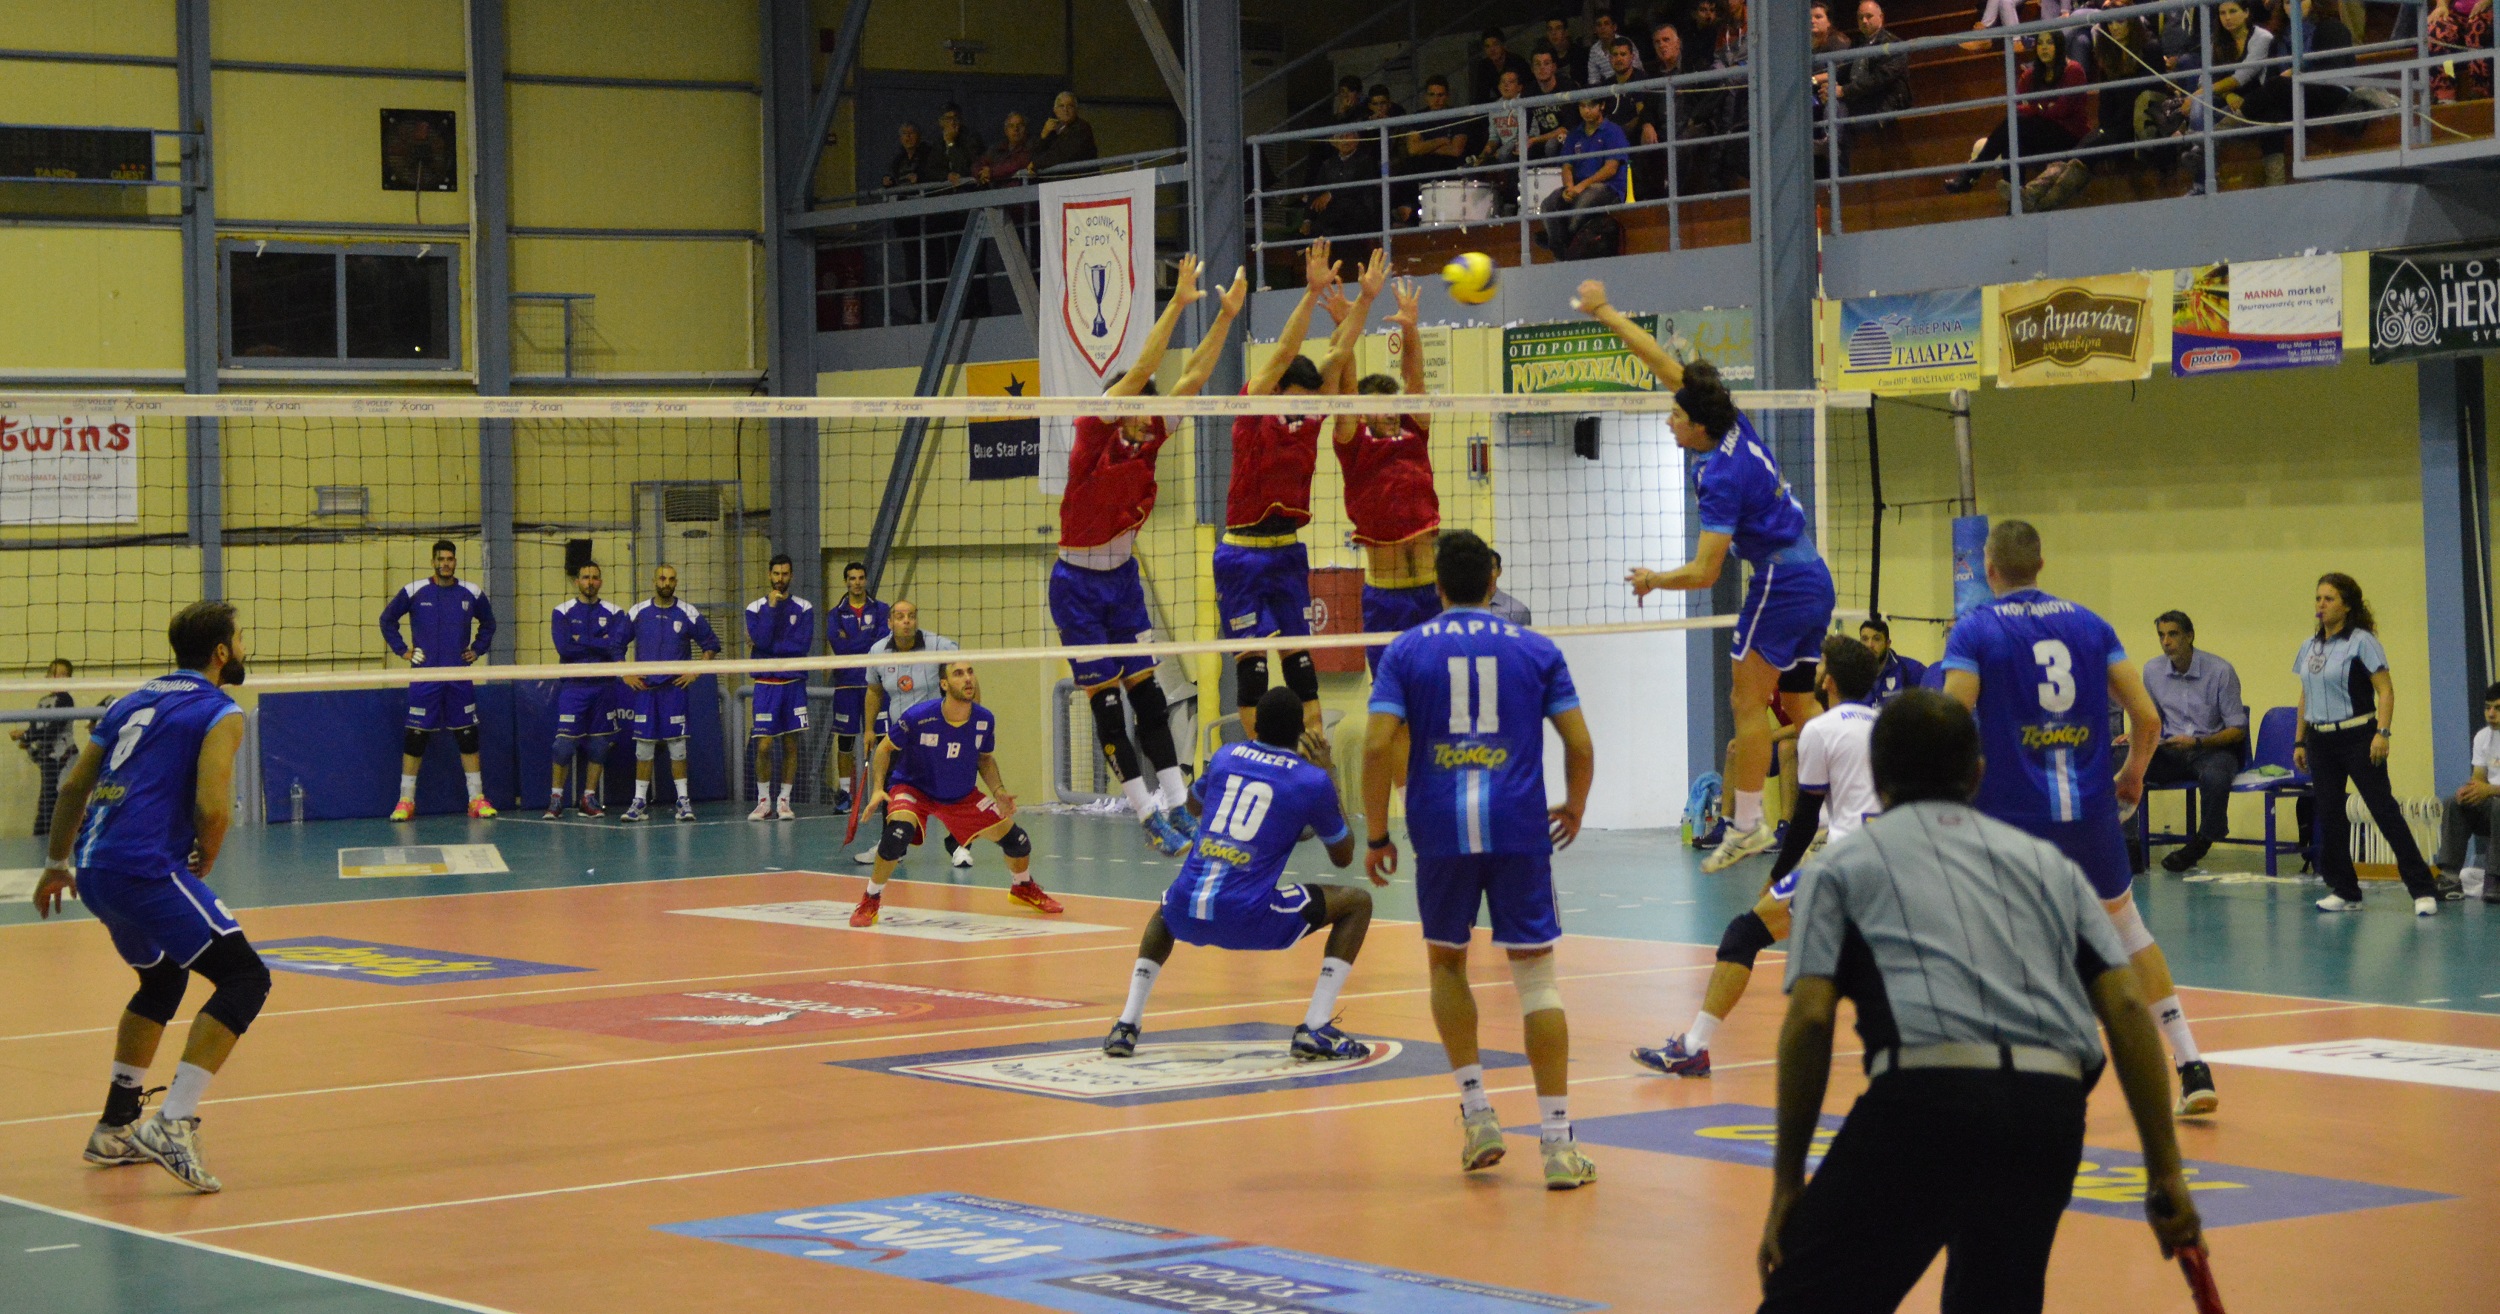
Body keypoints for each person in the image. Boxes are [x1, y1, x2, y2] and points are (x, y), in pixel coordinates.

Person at [1754, 690, 2204, 1313]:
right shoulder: (2048, 865)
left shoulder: (1841, 866)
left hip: (1926, 1101)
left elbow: (1809, 1020)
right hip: (2048, 1115)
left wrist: (1786, 1183)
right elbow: (2127, 1008)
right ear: (1978, 775)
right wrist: (2165, 1171)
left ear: (1877, 778)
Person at [1941, 520, 2218, 1116]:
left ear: (1989, 569)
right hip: (2088, 812)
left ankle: (2013, 1077)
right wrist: (2133, 773)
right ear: (2041, 565)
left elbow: (1948, 719)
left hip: (2011, 816)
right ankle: (2192, 1065)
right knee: (2130, 931)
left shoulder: (1976, 628)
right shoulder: (2091, 625)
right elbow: (2148, 719)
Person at [1364, 530, 1597, 1189]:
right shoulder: (1537, 649)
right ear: (1492, 583)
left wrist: (1378, 834)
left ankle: (1477, 1114)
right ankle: (1558, 1145)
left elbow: (1377, 746)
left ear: (1436, 586)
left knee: (1446, 962)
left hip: (1440, 827)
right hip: (1519, 824)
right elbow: (1580, 743)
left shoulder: (1405, 650)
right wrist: (1575, 806)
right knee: (1537, 978)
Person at [1592, 281, 1835, 873]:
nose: (1669, 420)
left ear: (1699, 427)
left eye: (1676, 416)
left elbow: (1706, 573)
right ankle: (1841, 810)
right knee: (1799, 702)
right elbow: (1658, 359)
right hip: (1814, 578)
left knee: (1746, 701)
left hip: (1780, 584)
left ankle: (1747, 824)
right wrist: (1605, 311)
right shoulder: (1730, 421)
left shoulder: (1722, 478)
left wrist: (1654, 580)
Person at [34, 600, 272, 1194]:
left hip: (96, 871)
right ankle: (173, 1122)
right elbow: (213, 806)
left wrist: (56, 864)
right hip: (146, 869)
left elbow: (74, 785)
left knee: (163, 979)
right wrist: (206, 857)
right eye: (241, 639)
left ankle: (115, 1126)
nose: (245, 648)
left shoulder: (131, 700)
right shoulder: (220, 709)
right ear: (221, 652)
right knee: (246, 978)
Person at [1054, 253, 1241, 855]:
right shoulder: (1093, 433)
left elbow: (1193, 379)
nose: (1140, 425)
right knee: (1109, 705)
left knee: (1151, 699)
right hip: (1077, 586)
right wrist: (1178, 304)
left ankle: (1178, 804)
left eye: (1144, 418)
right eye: (1132, 414)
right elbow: (1142, 371)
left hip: (1122, 581)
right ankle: (1145, 814)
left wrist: (1226, 318)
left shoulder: (1153, 432)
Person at [1638, 635, 1881, 1078]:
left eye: (1820, 665)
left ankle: (1693, 1048)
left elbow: (1804, 818)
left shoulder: (1820, 729)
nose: (1815, 671)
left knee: (1742, 935)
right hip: (1891, 861)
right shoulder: (1888, 725)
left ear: (1829, 681)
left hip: (1845, 867)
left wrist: (1777, 874)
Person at [1107, 687, 1375, 1060]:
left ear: (1255, 727)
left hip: (1186, 914)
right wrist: (1328, 774)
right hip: (1249, 919)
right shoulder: (1310, 781)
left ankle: (1126, 1024)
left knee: (1168, 904)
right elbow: (1343, 856)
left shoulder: (1225, 757)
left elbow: (1195, 806)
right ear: (1300, 731)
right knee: (1358, 903)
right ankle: (1315, 1027)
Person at [1220, 241, 1362, 761]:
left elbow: (1340, 358)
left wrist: (1357, 309)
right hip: (1241, 555)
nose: (1307, 402)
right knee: (1253, 672)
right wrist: (1310, 292)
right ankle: (1265, 760)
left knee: (1301, 666)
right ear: (1278, 390)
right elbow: (1283, 351)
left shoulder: (1313, 416)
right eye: (1298, 394)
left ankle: (1312, 758)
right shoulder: (1253, 408)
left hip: (1287, 552)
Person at [847, 659, 1056, 926]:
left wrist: (999, 790)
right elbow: (885, 748)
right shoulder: (919, 716)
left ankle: (1022, 886)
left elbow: (984, 759)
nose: (967, 678)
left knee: (1019, 842)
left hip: (961, 796)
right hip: (914, 790)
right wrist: (877, 788)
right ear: (944, 684)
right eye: (958, 674)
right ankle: (871, 898)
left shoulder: (984, 719)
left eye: (970, 672)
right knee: (897, 835)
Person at [2298, 572, 2443, 914]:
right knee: (2330, 814)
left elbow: (2386, 690)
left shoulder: (2362, 642)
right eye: (2318, 598)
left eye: (2329, 599)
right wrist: (2299, 741)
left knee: (2383, 810)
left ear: (2347, 606)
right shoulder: (2309, 646)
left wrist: (2383, 732)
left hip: (2359, 737)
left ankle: (2422, 890)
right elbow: (2305, 695)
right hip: (2320, 740)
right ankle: (2345, 890)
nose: (2321, 604)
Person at [1325, 276, 1441, 680]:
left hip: (1430, 590)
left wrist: (1410, 328)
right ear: (1361, 412)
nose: (1389, 412)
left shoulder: (1414, 431)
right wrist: (1347, 324)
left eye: (1392, 405)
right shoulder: (1353, 442)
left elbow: (1415, 381)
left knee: (1436, 693)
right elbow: (1344, 387)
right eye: (1379, 406)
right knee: (1389, 697)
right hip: (1384, 597)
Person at [379, 539, 497, 821]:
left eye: (450, 559)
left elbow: (489, 624)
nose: (446, 563)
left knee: (467, 736)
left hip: (459, 676)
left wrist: (477, 649)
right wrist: (403, 651)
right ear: (433, 562)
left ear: (455, 561)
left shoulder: (471, 592)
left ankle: (476, 799)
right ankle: (405, 800)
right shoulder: (415, 590)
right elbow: (387, 620)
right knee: (415, 737)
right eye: (441, 559)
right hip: (426, 676)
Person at [852, 600, 964, 865]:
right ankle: (893, 846)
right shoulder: (878, 651)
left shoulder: (938, 645)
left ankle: (959, 845)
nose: (906, 621)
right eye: (900, 617)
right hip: (900, 734)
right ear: (890, 622)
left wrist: (967, 719)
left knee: (953, 788)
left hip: (937, 731)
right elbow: (874, 691)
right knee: (892, 788)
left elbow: (964, 676)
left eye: (911, 616)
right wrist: (868, 729)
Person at [2141, 610, 2247, 872]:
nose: (2166, 642)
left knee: (2215, 777)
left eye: (2173, 634)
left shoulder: (2220, 671)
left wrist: (2198, 743)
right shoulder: (2152, 671)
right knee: (2126, 765)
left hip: (2211, 748)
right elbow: (2152, 720)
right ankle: (2129, 844)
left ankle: (2202, 842)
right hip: (2171, 750)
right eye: (2161, 635)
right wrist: (2136, 735)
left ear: (2189, 636)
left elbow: (2237, 730)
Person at [621, 564, 721, 822]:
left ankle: (683, 801)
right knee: (644, 748)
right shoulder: (638, 611)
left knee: (678, 747)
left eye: (671, 579)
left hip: (673, 691)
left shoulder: (687, 612)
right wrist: (625, 674)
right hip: (646, 691)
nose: (666, 583)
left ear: (676, 582)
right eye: (662, 578)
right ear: (654, 581)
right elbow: (615, 645)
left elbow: (711, 644)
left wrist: (695, 672)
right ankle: (639, 802)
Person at [1946, 28, 2088, 193]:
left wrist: (2034, 108)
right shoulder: (2030, 75)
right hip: (2038, 134)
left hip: (2069, 135)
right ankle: (2015, 198)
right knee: (2011, 141)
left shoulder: (2073, 70)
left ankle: (1972, 173)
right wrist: (2044, 108)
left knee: (2016, 125)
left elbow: (2062, 110)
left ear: (2060, 45)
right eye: (2040, 43)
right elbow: (2017, 107)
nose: (2044, 47)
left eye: (2050, 43)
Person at [547, 562, 628, 819]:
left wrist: (581, 641)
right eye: (585, 577)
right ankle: (556, 799)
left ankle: (588, 798)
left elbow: (616, 647)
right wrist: (600, 642)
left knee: (600, 746)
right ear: (577, 582)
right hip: (574, 686)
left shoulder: (615, 612)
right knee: (563, 746)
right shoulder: (562, 611)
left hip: (604, 686)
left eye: (594, 577)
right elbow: (564, 648)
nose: (590, 582)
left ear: (600, 582)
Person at [744, 554, 816, 822]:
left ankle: (784, 800)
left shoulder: (804, 607)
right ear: (769, 575)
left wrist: (768, 647)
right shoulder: (755, 608)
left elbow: (802, 645)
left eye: (785, 574)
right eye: (776, 574)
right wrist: (772, 608)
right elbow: (762, 639)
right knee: (763, 746)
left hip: (793, 683)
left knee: (790, 744)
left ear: (791, 576)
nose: (780, 579)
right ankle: (764, 802)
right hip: (766, 684)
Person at [826, 562, 891, 814]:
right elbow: (839, 647)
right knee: (845, 742)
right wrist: (866, 641)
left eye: (861, 578)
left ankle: (884, 790)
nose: (857, 582)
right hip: (847, 685)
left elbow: (882, 643)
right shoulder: (835, 614)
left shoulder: (881, 609)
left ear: (866, 580)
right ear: (846, 581)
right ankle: (845, 795)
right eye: (852, 578)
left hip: (875, 685)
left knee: (884, 740)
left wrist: (852, 640)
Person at [2433, 682, 2500, 903]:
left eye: (2498, 708)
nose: (2491, 714)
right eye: (2488, 708)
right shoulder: (2482, 737)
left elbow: (2488, 789)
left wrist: (2489, 790)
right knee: (2454, 803)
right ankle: (2450, 877)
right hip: (2493, 805)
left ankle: (2495, 878)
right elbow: (2478, 778)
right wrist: (2469, 790)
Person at [1541, 97, 1628, 255]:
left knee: (1582, 204)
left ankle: (1558, 245)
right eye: (1582, 106)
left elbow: (1610, 169)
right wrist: (1569, 187)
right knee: (1549, 204)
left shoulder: (1613, 131)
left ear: (1602, 105)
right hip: (1577, 188)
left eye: (1591, 106)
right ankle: (1561, 251)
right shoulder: (1574, 134)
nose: (1586, 111)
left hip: (1608, 188)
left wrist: (1581, 186)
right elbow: (1567, 166)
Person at [12, 658, 77, 835]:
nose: (57, 678)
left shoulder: (65, 699)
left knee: (57, 801)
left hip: (63, 757)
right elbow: (37, 728)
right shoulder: (43, 701)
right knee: (47, 803)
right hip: (49, 758)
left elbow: (54, 727)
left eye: (63, 675)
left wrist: (26, 736)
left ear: (70, 680)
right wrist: (27, 741)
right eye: (54, 674)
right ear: (47, 677)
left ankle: (64, 837)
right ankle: (43, 838)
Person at [1838, 0, 1911, 125]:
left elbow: (1879, 79)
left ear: (1881, 17)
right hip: (1858, 97)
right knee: (1830, 107)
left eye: (1869, 16)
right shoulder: (1857, 42)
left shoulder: (1894, 44)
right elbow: (1844, 70)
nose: (1864, 21)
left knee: (1844, 117)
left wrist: (1845, 90)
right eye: (1860, 17)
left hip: (1884, 102)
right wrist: (1829, 86)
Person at [1858, 616, 1925, 704]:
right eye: (1865, 639)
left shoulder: (1912, 669)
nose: (1870, 645)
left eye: (1876, 639)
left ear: (1888, 643)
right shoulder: (1852, 674)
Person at [1029, 91, 1099, 173]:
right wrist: (1043, 135)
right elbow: (1033, 155)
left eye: (1070, 106)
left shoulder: (1082, 127)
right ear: (1055, 110)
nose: (1065, 110)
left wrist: (1036, 164)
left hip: (1079, 178)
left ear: (1076, 110)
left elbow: (1062, 154)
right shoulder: (1052, 130)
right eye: (1061, 106)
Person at [1471, 27, 1534, 105]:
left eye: (1495, 44)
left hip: (1522, 102)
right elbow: (1481, 95)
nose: (1492, 49)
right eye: (1487, 46)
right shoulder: (1484, 66)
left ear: (1503, 45)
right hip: (1501, 104)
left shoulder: (1517, 61)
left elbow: (1530, 87)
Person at [1586, 4, 1643, 86]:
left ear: (1614, 27)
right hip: (1608, 88)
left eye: (1606, 23)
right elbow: (1593, 79)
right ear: (1595, 30)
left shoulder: (1626, 43)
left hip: (1633, 84)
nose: (1602, 28)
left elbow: (1637, 70)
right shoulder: (1594, 50)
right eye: (1599, 25)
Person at [929, 103, 985, 187]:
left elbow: (965, 168)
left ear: (961, 121)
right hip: (946, 190)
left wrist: (951, 143)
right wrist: (947, 175)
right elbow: (931, 170)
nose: (952, 122)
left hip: (969, 188)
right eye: (948, 119)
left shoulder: (972, 138)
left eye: (955, 118)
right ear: (941, 122)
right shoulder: (938, 142)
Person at [974, 112, 1033, 186]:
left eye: (1020, 125)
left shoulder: (1031, 146)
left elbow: (1016, 164)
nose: (1016, 129)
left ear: (1026, 129)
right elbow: (978, 163)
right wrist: (980, 173)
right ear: (1006, 131)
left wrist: (991, 172)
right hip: (996, 191)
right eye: (1011, 126)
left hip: (1022, 191)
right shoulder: (997, 149)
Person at [881, 121, 936, 189]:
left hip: (924, 193)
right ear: (901, 139)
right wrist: (888, 182)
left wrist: (920, 178)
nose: (908, 136)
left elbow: (936, 174)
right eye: (904, 133)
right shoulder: (898, 160)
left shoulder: (929, 154)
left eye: (911, 133)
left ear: (918, 136)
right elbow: (894, 179)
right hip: (903, 194)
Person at [1537, 13, 1585, 88]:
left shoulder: (1579, 53)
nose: (1553, 33)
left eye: (1558, 28)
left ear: (1566, 32)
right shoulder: (1547, 56)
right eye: (1550, 29)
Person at [1487, 549, 1533, 625]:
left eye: (1492, 568)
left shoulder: (1518, 611)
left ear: (1499, 571)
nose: (1487, 573)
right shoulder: (1465, 606)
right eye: (1482, 568)